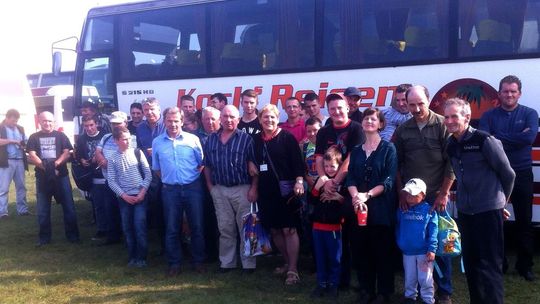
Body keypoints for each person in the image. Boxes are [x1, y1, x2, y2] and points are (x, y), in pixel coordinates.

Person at [446, 97, 515, 303]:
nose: (449, 121)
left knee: (489, 266)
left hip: (488, 212)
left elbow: (508, 174)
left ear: (467, 117)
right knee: (471, 264)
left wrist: (501, 203)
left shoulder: (485, 141)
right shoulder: (451, 144)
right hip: (466, 212)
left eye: (454, 116)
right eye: (446, 117)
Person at [394, 85, 455, 304]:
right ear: (406, 104)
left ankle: (444, 291)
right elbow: (396, 163)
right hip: (411, 197)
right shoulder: (403, 129)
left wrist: (444, 193)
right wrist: (402, 194)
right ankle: (414, 290)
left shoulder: (442, 125)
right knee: (415, 244)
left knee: (440, 244)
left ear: (428, 101)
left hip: (436, 196)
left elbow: (452, 162)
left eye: (421, 103)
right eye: (412, 104)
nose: (417, 108)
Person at [479, 75, 538, 281]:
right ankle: (499, 264)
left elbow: (528, 139)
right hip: (496, 172)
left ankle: (525, 265)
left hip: (522, 172)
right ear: (499, 93)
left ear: (519, 93)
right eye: (505, 91)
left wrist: (499, 136)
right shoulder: (489, 115)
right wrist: (514, 137)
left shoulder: (530, 113)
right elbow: (486, 140)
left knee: (525, 220)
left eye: (513, 91)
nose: (509, 95)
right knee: (495, 220)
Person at [346, 107, 397, 303]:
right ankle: (366, 289)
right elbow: (350, 177)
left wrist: (366, 195)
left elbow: (389, 181)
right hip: (359, 207)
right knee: (361, 250)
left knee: (382, 252)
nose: (369, 122)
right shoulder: (357, 151)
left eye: (373, 119)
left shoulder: (388, 149)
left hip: (380, 207)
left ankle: (384, 293)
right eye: (366, 119)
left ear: (381, 124)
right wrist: (356, 197)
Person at [314, 93, 363, 290]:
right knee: (333, 237)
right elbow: (318, 159)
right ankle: (333, 280)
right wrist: (324, 179)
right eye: (332, 108)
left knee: (351, 236)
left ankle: (351, 280)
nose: (336, 111)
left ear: (347, 107)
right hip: (328, 185)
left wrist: (335, 182)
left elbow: (350, 159)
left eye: (340, 107)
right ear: (328, 110)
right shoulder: (324, 131)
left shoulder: (356, 129)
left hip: (349, 185)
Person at [253, 104, 305, 285]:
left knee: (288, 229)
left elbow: (298, 163)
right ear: (260, 120)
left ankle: (293, 269)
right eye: (265, 117)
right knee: (274, 230)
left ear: (278, 119)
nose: (269, 120)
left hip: (286, 192)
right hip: (266, 193)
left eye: (272, 117)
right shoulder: (257, 140)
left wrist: (299, 181)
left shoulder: (287, 138)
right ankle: (287, 262)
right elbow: (255, 164)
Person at [204, 105, 258, 273]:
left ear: (238, 119)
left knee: (247, 227)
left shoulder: (246, 139)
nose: (228, 120)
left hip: (242, 188)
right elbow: (207, 165)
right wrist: (210, 186)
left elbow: (254, 166)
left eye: (232, 117)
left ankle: (249, 264)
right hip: (219, 189)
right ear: (221, 119)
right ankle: (227, 263)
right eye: (225, 116)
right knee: (225, 228)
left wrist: (254, 188)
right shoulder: (211, 139)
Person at [152, 107, 205, 276]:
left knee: (196, 226)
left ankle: (198, 261)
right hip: (170, 190)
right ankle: (174, 263)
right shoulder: (157, 142)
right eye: (169, 120)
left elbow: (201, 163)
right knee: (172, 228)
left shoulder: (193, 139)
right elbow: (157, 168)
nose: (173, 124)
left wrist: (188, 178)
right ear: (164, 121)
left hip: (192, 188)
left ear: (182, 121)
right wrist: (171, 179)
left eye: (176, 121)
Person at [26, 111, 80, 246]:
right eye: (44, 120)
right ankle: (44, 238)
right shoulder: (33, 137)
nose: (47, 123)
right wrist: (48, 169)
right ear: (39, 122)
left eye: (50, 121)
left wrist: (56, 164)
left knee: (69, 207)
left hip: (61, 176)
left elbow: (67, 152)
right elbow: (32, 155)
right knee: (43, 209)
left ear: (54, 122)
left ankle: (73, 236)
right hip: (42, 178)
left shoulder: (61, 135)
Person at [107, 126, 152, 267]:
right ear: (116, 141)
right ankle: (132, 256)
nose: (127, 142)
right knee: (127, 228)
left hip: (140, 197)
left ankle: (142, 257)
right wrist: (124, 196)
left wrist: (142, 193)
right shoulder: (112, 158)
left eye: (129, 139)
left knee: (139, 226)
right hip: (124, 198)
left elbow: (148, 174)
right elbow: (111, 180)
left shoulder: (138, 153)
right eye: (124, 139)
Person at [309, 146, 346, 298]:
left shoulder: (342, 183)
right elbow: (311, 200)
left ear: (339, 165)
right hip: (317, 227)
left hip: (334, 228)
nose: (329, 169)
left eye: (332, 166)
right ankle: (321, 284)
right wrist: (317, 188)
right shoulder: (320, 180)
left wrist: (339, 197)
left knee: (334, 258)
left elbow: (348, 204)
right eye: (326, 166)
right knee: (320, 257)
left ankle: (333, 284)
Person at [396, 178, 438, 304]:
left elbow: (433, 231)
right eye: (408, 193)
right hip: (407, 251)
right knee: (410, 277)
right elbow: (398, 227)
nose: (410, 197)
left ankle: (428, 299)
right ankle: (410, 297)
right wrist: (400, 242)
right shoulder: (402, 209)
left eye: (414, 194)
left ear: (423, 195)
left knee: (425, 278)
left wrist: (432, 249)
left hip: (424, 252)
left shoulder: (429, 211)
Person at [94, 111, 131, 245]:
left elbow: (128, 156)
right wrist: (102, 160)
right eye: (112, 123)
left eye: (118, 123)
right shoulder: (106, 137)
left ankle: (128, 239)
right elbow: (98, 151)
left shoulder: (131, 137)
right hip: (109, 181)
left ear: (125, 123)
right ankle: (113, 237)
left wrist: (108, 164)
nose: (115, 126)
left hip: (125, 182)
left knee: (125, 212)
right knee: (110, 209)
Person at [136, 97, 166, 253]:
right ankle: (163, 244)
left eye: (152, 109)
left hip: (168, 173)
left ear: (159, 109)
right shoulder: (140, 128)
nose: (149, 112)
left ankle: (179, 243)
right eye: (146, 110)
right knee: (157, 208)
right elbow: (139, 151)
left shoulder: (167, 124)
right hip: (151, 174)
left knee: (171, 208)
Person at [75, 115, 106, 239]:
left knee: (110, 204)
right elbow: (78, 155)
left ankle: (115, 229)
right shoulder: (81, 139)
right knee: (98, 205)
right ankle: (101, 229)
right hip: (93, 176)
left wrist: (98, 157)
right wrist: (82, 160)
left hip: (107, 174)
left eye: (91, 125)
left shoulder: (105, 135)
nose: (89, 128)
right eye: (86, 126)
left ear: (97, 124)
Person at [0, 109, 29, 218]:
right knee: (3, 188)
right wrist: (12, 141)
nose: (15, 123)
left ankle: (23, 210)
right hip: (6, 161)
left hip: (20, 160)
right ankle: (2, 212)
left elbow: (25, 142)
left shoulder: (20, 129)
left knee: (21, 187)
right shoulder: (1, 127)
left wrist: (23, 145)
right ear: (7, 118)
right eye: (13, 121)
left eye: (16, 121)